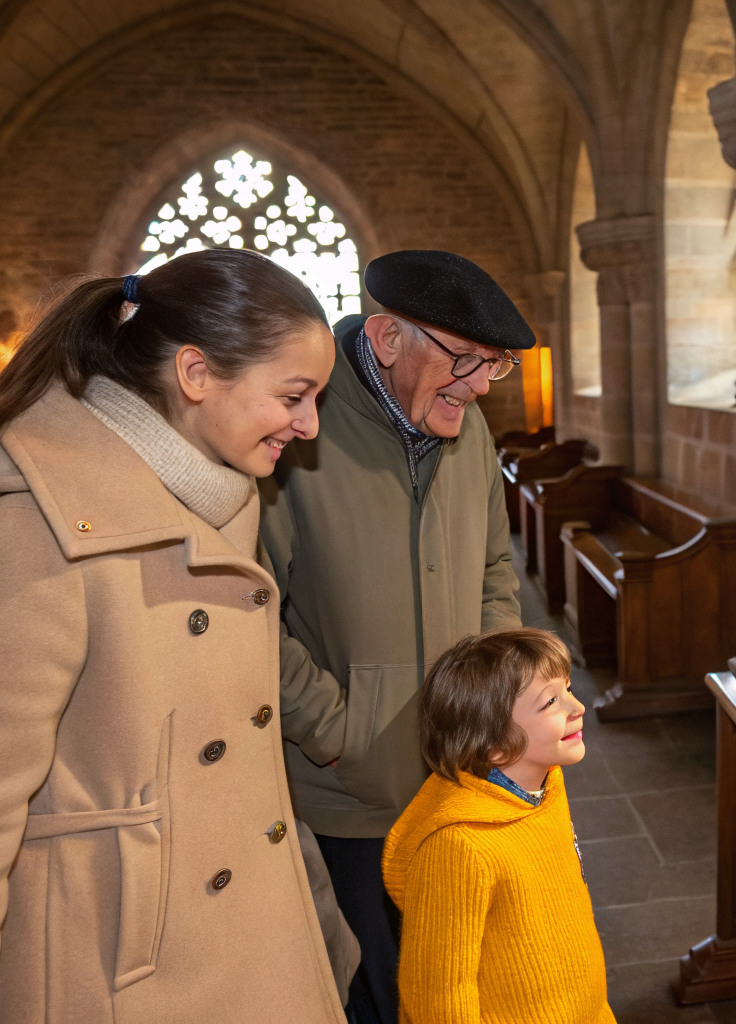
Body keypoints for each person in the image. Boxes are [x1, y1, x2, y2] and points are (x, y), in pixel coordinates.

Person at [0, 249, 357, 1024]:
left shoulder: (212, 500)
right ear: (196, 373)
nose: (310, 424)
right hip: (116, 976)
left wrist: (317, 919)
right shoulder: (42, 534)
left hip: (249, 954)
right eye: (293, 395)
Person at [261, 249, 529, 1023]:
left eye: (494, 366)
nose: (480, 386)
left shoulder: (467, 428)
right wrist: (337, 730)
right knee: (374, 991)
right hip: (350, 787)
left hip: (457, 769)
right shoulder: (298, 429)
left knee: (451, 982)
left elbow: (491, 571)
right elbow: (251, 612)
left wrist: (498, 696)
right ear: (385, 338)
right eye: (466, 360)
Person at [382, 628, 614, 1024]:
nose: (578, 707)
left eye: (569, 688)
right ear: (494, 745)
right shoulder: (459, 846)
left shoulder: (545, 787)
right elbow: (437, 998)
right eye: (551, 702)